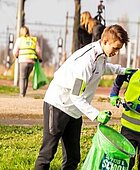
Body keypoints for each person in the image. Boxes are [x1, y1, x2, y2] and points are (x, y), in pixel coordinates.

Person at [34, 24, 131, 170]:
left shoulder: (101, 55)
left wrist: (122, 71)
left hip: (75, 110)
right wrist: (96, 115)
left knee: (73, 157)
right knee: (48, 153)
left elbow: (102, 68)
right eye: (115, 48)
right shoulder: (85, 62)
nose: (116, 53)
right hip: (59, 105)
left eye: (119, 49)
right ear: (105, 42)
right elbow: (76, 96)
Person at [109, 68, 140, 170]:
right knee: (125, 162)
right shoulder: (135, 74)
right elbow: (120, 77)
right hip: (128, 129)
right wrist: (113, 95)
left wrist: (136, 107)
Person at [13, 25, 42, 97]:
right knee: (26, 77)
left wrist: (16, 56)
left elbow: (15, 51)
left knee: (22, 77)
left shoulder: (20, 40)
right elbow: (38, 51)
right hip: (31, 61)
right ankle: (24, 92)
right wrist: (40, 58)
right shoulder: (33, 40)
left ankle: (22, 93)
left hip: (23, 60)